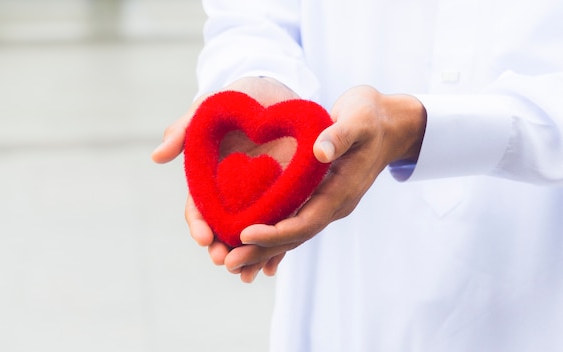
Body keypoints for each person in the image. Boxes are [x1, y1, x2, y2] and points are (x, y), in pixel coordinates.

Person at [152, 1, 563, 351]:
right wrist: (257, 79)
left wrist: (420, 128)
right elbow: (252, 18)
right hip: (341, 275)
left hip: (536, 283)